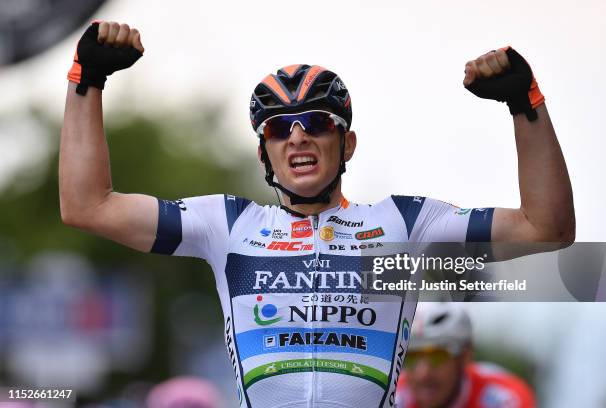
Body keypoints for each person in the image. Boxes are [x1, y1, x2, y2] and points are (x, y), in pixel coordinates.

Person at [59, 21, 574, 408]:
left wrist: (525, 105)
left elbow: (546, 228)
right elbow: (87, 206)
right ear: (265, 154)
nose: (298, 135)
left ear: (346, 143)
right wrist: (89, 79)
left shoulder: (405, 226)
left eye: (315, 122)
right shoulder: (229, 226)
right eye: (279, 129)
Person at [395, 303, 536, 408]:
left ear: (464, 357)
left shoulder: (504, 398)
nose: (423, 374)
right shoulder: (395, 396)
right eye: (412, 357)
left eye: (437, 356)